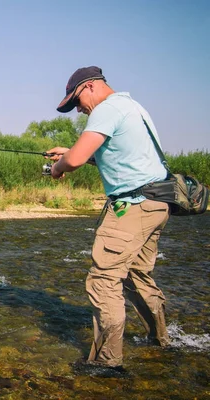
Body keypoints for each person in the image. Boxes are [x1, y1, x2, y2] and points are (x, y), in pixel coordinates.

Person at [47, 66, 171, 371]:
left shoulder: (105, 109)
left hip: (131, 208)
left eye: (76, 101)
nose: (78, 109)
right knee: (136, 276)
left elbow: (73, 161)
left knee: (103, 281)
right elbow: (120, 155)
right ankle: (162, 340)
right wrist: (71, 151)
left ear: (89, 86)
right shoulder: (131, 106)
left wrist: (59, 166)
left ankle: (107, 365)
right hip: (156, 204)